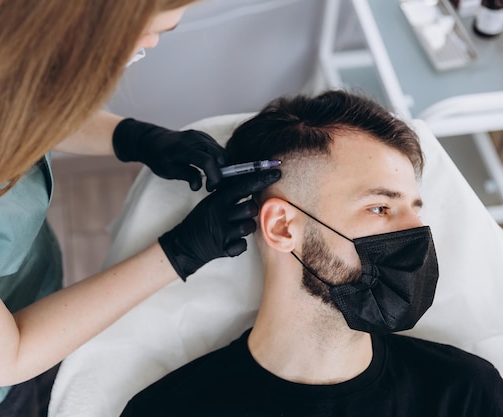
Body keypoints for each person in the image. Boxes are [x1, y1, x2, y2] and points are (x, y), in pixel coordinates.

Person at [0, 2, 281, 416]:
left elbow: (18, 107)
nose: (152, 43)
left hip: (23, 294)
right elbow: (5, 357)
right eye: (140, 38)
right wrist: (177, 253)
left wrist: (131, 137)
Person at [120, 90, 503, 416]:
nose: (417, 233)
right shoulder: (167, 410)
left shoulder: (466, 394)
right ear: (282, 227)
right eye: (379, 208)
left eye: (415, 209)